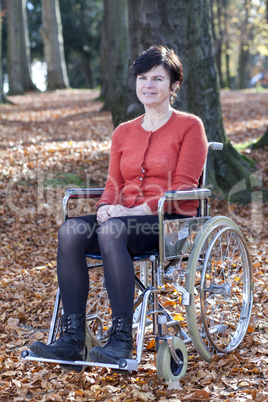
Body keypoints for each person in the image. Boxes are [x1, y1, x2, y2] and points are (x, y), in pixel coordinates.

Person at [30, 45, 208, 367]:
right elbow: (113, 184)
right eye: (142, 78)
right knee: (71, 230)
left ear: (173, 85)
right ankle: (72, 338)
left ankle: (121, 339)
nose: (148, 85)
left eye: (157, 78)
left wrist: (135, 211)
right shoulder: (123, 132)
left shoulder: (189, 126)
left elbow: (184, 187)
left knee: (112, 230)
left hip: (170, 221)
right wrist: (104, 207)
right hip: (123, 220)